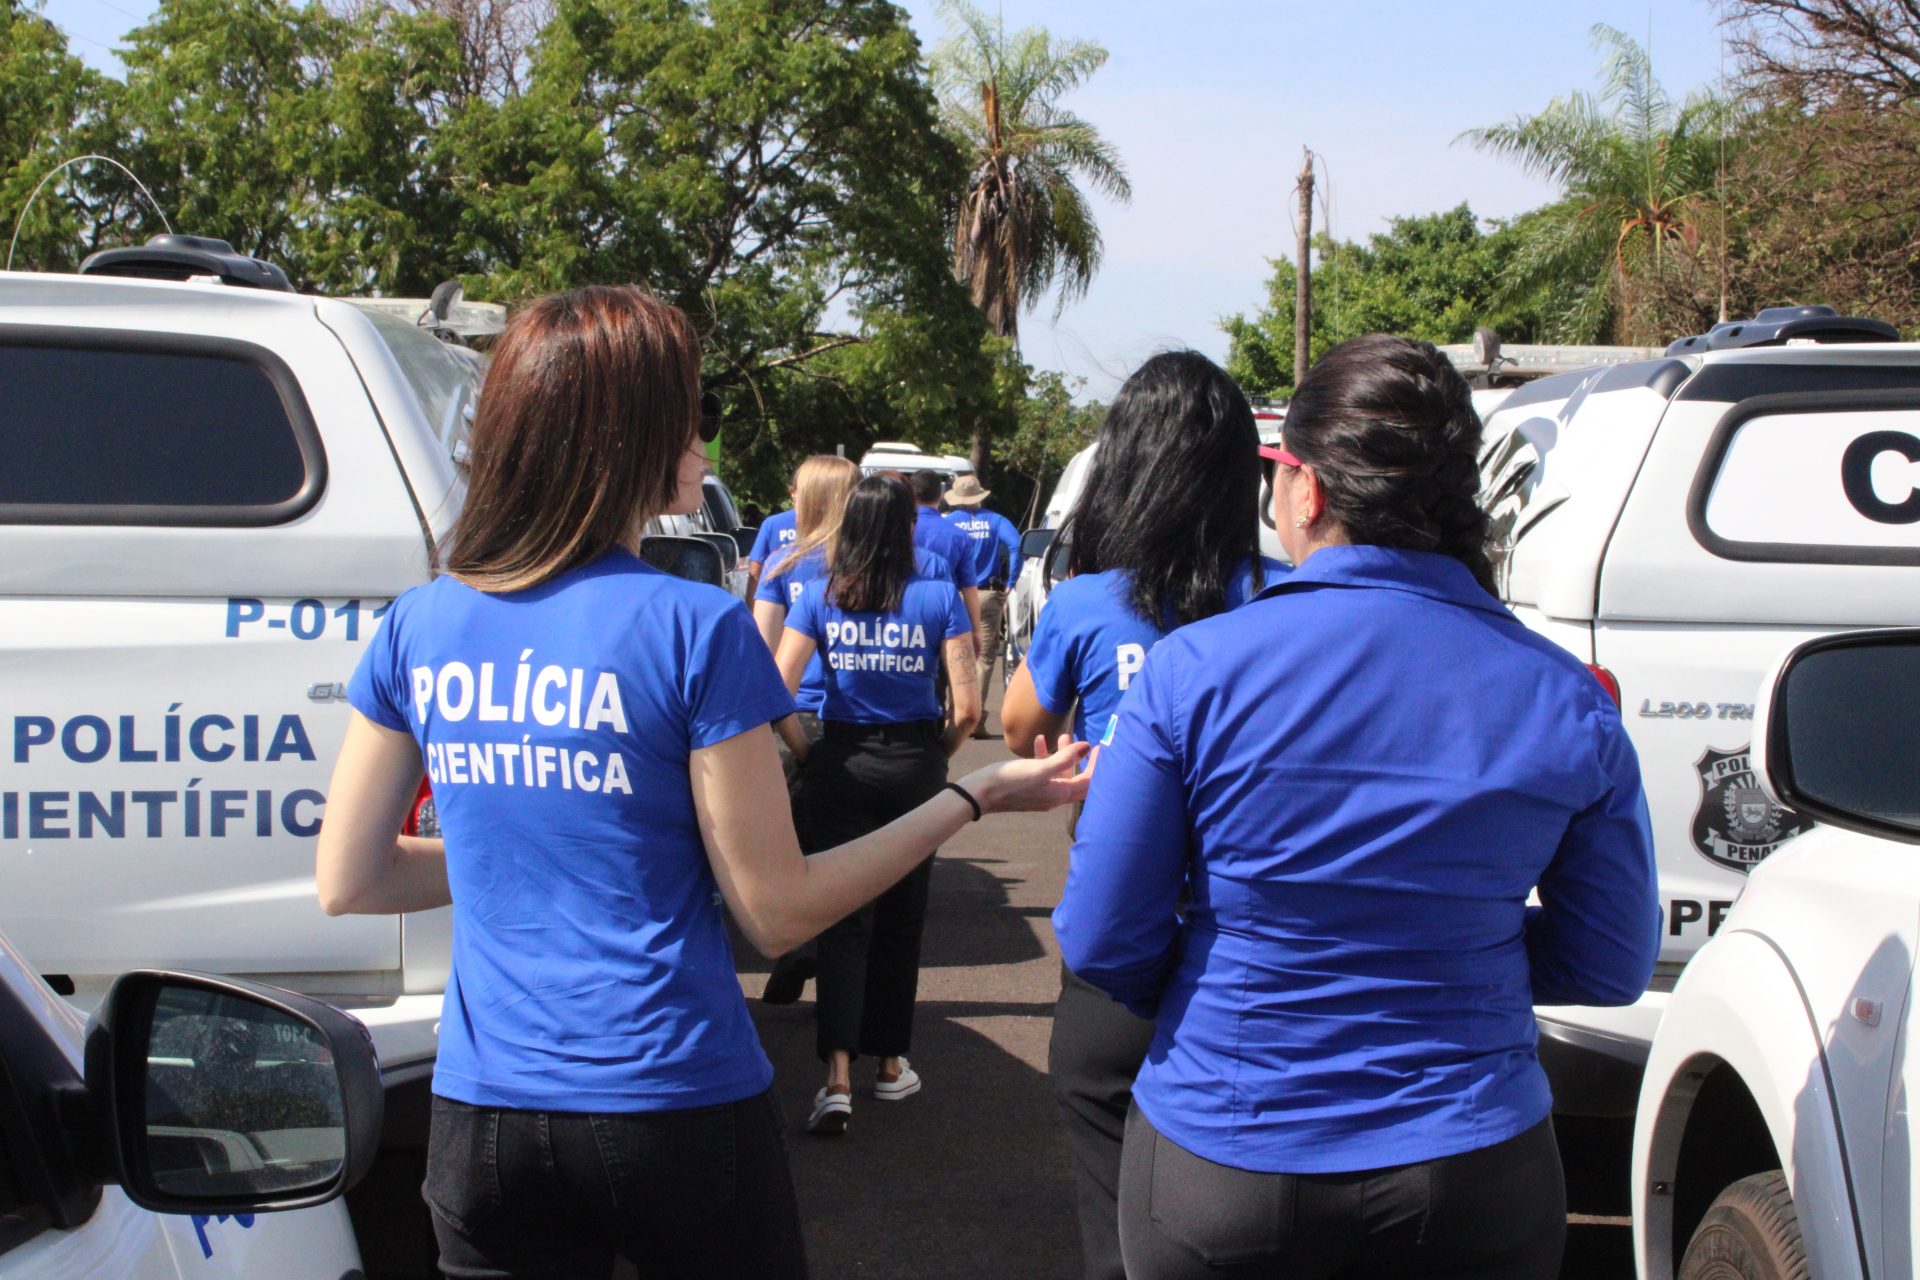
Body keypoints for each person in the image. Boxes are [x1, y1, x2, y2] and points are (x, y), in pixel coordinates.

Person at [314, 285, 1090, 1280]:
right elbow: (776, 908)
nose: (703, 441)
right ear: (632, 439)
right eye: (689, 414)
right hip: (670, 1101)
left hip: (485, 1116)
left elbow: (353, 877)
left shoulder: (418, 623)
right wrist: (973, 797)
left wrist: (554, 845)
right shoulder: (693, 626)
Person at [1053, 334, 1661, 1280]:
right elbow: (1611, 961)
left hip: (1228, 1155)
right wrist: (1453, 949)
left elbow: (1102, 936)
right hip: (1474, 1169)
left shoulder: (1195, 673)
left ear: (1306, 490)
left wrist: (1237, 966)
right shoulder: (1566, 696)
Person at [998, 350, 1284, 1280]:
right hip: (1252, 939)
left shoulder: (1087, 602)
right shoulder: (1285, 593)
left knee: (1114, 1200)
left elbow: (1020, 726)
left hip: (1121, 932)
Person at [773, 473, 980, 1136]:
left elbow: (776, 689)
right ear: (907, 529)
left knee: (843, 919)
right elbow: (969, 708)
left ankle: (836, 1076)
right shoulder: (938, 595)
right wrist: (938, 754)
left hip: (841, 761)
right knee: (901, 918)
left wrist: (807, 753)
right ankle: (890, 1064)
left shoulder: (819, 593)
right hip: (914, 763)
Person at [751, 453, 860, 1006]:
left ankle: (799, 944)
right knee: (853, 846)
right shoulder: (870, 562)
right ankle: (841, 959)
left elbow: (760, 654)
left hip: (794, 714)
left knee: (795, 843)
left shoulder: (781, 563)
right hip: (858, 717)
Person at [942, 474, 1023, 732]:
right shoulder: (996, 520)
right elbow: (1016, 546)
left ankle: (954, 712)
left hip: (954, 594)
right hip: (986, 595)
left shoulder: (949, 522)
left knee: (952, 653)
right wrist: (1011, 582)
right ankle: (975, 720)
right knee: (983, 657)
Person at [907, 468, 983, 643]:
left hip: (904, 615)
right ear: (941, 495)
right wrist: (976, 630)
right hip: (944, 617)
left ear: (910, 494)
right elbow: (969, 588)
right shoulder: (958, 536)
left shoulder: (898, 530)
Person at [743, 476, 801, 599]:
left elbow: (755, 572)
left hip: (776, 602)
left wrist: (751, 608)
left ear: (793, 492)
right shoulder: (831, 525)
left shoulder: (772, 524)